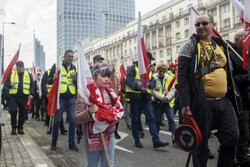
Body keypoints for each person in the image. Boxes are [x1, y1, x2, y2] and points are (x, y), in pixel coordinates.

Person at [178, 13, 240, 167]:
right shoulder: (189, 46)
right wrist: (185, 103)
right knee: (200, 145)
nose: (201, 27)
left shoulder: (222, 44)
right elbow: (182, 78)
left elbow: (234, 71)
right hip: (201, 103)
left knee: (232, 137)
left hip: (224, 101)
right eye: (197, 24)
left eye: (204, 23)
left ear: (213, 24)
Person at [74, 63, 121, 167]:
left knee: (108, 164)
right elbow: (77, 118)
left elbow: (118, 112)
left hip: (109, 133)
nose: (107, 79)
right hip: (92, 134)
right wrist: (89, 113)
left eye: (108, 76)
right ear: (94, 77)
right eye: (103, 76)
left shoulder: (111, 93)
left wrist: (110, 119)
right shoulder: (85, 94)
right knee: (92, 165)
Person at [126, 51, 169, 149]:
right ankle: (137, 140)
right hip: (135, 98)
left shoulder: (149, 70)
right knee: (135, 120)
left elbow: (152, 82)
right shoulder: (133, 68)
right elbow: (129, 81)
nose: (150, 62)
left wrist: (149, 85)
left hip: (146, 98)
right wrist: (140, 87)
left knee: (151, 118)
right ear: (145, 58)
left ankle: (156, 141)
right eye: (150, 59)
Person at [48, 50, 78, 151]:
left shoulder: (75, 68)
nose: (70, 58)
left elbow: (79, 84)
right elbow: (48, 80)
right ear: (64, 57)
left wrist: (75, 79)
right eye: (69, 56)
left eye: (72, 57)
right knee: (57, 121)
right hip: (60, 97)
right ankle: (54, 142)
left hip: (71, 98)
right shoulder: (57, 66)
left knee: (73, 121)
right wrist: (53, 77)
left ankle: (71, 143)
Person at [228, 30, 250, 166]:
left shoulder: (247, 55)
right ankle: (241, 159)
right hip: (240, 101)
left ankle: (241, 154)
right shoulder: (231, 54)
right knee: (243, 132)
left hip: (249, 99)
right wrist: (247, 78)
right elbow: (231, 79)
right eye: (245, 38)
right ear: (237, 40)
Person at [5, 61, 34, 135]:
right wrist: (10, 84)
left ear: (23, 67)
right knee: (13, 111)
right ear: (16, 67)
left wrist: (31, 93)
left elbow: (32, 85)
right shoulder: (12, 73)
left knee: (22, 113)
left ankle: (20, 128)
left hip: (24, 97)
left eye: (20, 67)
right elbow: (6, 83)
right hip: (13, 97)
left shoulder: (28, 74)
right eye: (17, 67)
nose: (18, 68)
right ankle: (14, 128)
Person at [152, 63, 176, 144]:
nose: (161, 73)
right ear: (157, 70)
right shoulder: (153, 78)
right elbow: (153, 91)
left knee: (171, 119)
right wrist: (162, 97)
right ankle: (157, 139)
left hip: (167, 103)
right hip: (158, 103)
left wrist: (168, 97)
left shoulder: (168, 78)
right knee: (157, 121)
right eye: (160, 71)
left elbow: (173, 90)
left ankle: (174, 137)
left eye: (163, 71)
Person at [41, 69, 67, 135]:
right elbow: (43, 83)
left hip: (58, 95)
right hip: (49, 95)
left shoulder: (61, 71)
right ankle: (49, 128)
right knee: (49, 112)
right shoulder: (47, 72)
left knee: (59, 112)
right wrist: (46, 93)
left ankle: (62, 129)